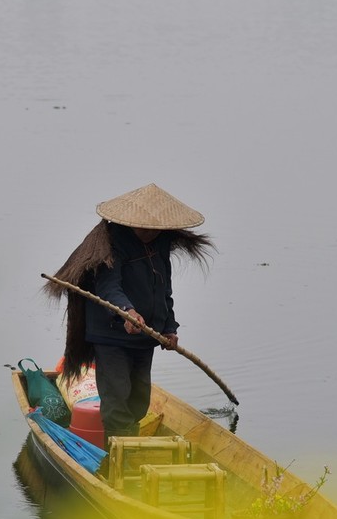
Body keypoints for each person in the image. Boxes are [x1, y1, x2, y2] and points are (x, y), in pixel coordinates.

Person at [46, 183, 214, 442]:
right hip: (111, 335)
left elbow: (164, 290)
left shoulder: (161, 243)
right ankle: (119, 455)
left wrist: (169, 327)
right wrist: (126, 312)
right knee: (116, 398)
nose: (150, 232)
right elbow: (108, 286)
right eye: (144, 227)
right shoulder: (111, 243)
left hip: (146, 336)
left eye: (155, 228)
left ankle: (128, 441)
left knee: (139, 400)